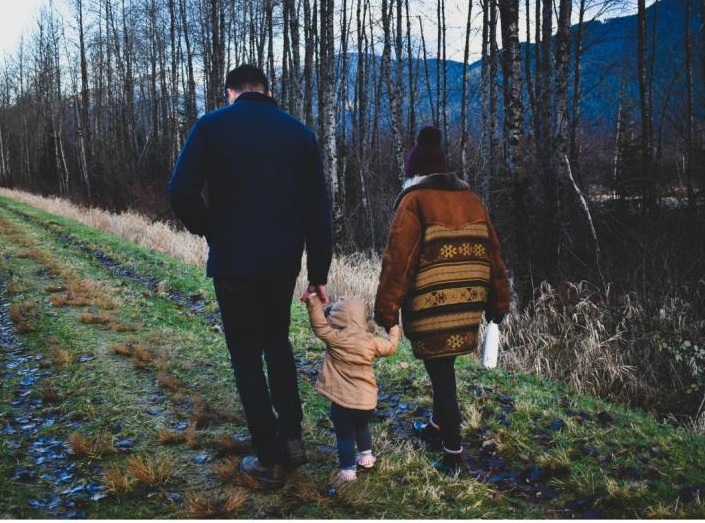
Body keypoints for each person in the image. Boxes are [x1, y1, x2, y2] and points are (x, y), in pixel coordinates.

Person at [168, 64, 333, 489]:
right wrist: (317, 274)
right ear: (266, 90)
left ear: (230, 92)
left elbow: (180, 190)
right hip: (281, 263)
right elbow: (319, 214)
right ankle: (292, 437)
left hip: (234, 260)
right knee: (277, 343)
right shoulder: (300, 135)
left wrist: (209, 227)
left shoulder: (211, 127)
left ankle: (268, 458)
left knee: (245, 354)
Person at [373, 126, 510, 475]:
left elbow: (397, 261)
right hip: (468, 304)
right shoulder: (472, 199)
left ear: (413, 174)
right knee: (443, 366)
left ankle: (453, 454)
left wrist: (386, 312)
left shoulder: (412, 200)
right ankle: (436, 427)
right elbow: (494, 253)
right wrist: (498, 303)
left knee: (442, 374)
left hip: (432, 306)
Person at [304, 293, 402, 482]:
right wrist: (394, 327)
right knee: (362, 426)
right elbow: (391, 347)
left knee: (345, 435)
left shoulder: (335, 337)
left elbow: (319, 326)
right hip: (367, 401)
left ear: (338, 316)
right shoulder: (371, 341)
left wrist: (314, 302)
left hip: (343, 400)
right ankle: (366, 457)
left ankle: (348, 470)